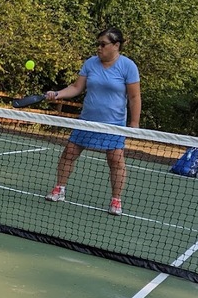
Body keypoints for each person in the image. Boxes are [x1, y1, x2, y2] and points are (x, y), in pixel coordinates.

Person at [43, 28, 141, 216]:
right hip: (86, 121)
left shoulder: (128, 66)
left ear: (116, 45)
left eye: (103, 44)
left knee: (115, 161)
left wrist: (134, 124)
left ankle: (116, 201)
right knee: (69, 153)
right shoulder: (91, 63)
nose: (99, 48)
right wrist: (57, 94)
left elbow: (134, 97)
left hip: (113, 124)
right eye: (97, 44)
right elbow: (76, 87)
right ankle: (59, 189)